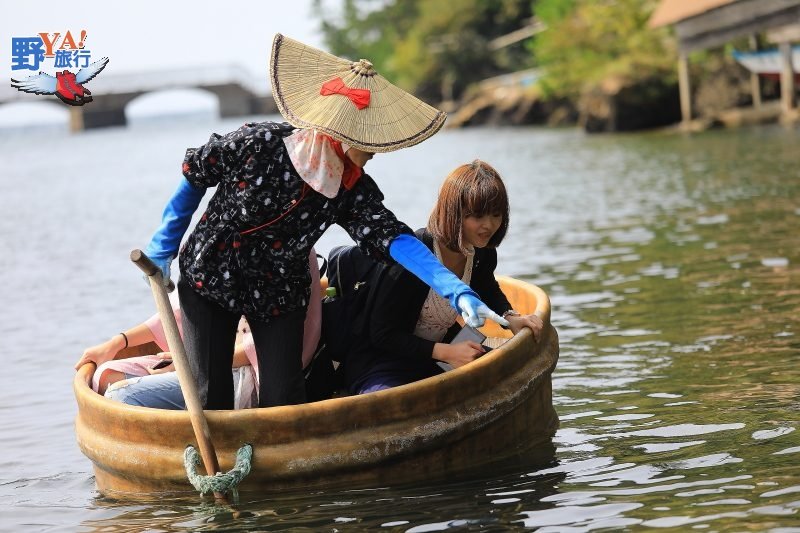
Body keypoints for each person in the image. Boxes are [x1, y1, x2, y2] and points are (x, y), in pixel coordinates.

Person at [143, 34, 507, 410]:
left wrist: (453, 288)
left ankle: (282, 464)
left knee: (284, 398)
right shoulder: (260, 144)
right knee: (209, 397)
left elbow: (392, 238)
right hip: (211, 277)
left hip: (279, 290)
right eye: (369, 144)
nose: (374, 152)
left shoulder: (352, 188)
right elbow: (197, 171)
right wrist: (162, 245)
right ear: (339, 133)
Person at [344, 160, 544, 395]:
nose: (488, 225)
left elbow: (486, 287)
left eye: (496, 214)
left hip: (439, 353)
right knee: (390, 405)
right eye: (476, 216)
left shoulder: (482, 251)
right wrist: (446, 353)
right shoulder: (413, 257)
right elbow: (382, 335)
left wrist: (510, 317)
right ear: (454, 213)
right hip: (383, 362)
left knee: (510, 376)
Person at [74, 250, 323, 409]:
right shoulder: (226, 236)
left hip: (246, 374)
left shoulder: (292, 248)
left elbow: (268, 347)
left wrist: (192, 363)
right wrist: (117, 343)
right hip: (208, 356)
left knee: (122, 397)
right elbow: (183, 314)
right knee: (105, 376)